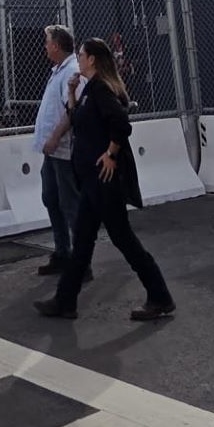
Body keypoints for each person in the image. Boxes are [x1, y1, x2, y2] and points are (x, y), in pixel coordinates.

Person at [35, 38, 175, 323]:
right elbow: (79, 119)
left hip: (103, 180)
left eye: (83, 55)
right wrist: (72, 93)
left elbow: (121, 125)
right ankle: (65, 300)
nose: (80, 58)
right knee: (84, 241)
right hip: (91, 181)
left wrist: (111, 153)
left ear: (93, 60)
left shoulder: (101, 89)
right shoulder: (88, 90)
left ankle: (160, 296)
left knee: (124, 239)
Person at [33, 25, 89, 280]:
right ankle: (62, 252)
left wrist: (55, 137)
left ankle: (81, 260)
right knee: (51, 199)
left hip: (63, 151)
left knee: (69, 204)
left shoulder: (72, 72)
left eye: (47, 42)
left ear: (56, 45)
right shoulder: (58, 71)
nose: (45, 46)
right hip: (52, 152)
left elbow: (72, 110)